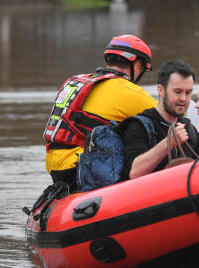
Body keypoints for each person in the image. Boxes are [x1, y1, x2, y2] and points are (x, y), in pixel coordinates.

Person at [43, 34, 155, 191]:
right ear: (137, 65)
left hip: (56, 167)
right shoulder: (128, 90)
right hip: (82, 168)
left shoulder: (75, 81)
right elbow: (167, 117)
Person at [123, 59, 199, 180]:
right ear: (161, 90)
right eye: (177, 92)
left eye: (188, 93)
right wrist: (168, 143)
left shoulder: (189, 129)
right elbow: (133, 173)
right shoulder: (139, 125)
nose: (183, 98)